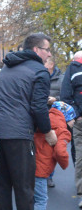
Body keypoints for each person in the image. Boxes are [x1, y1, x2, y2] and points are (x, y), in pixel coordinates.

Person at [0, 32, 57, 210]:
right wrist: (48, 131)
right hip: (18, 132)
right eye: (47, 50)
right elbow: (36, 106)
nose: (49, 54)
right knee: (25, 182)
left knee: (3, 181)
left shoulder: (7, 67)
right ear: (37, 50)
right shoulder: (39, 72)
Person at [33, 101, 75, 210]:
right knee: (41, 199)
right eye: (73, 119)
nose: (73, 122)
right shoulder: (63, 131)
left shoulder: (43, 121)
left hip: (29, 163)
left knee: (29, 197)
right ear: (67, 116)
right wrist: (65, 164)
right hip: (41, 169)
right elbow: (60, 152)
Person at [60, 50, 82, 208]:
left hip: (79, 120)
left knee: (80, 156)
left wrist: (75, 115)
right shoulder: (73, 71)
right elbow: (66, 96)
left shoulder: (71, 71)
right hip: (79, 120)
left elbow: (65, 96)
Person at [44, 55, 64, 187]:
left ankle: (49, 175)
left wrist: (55, 99)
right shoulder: (39, 75)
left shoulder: (61, 79)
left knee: (52, 146)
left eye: (45, 62)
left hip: (55, 115)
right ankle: (41, 174)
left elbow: (65, 95)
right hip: (41, 114)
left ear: (51, 65)